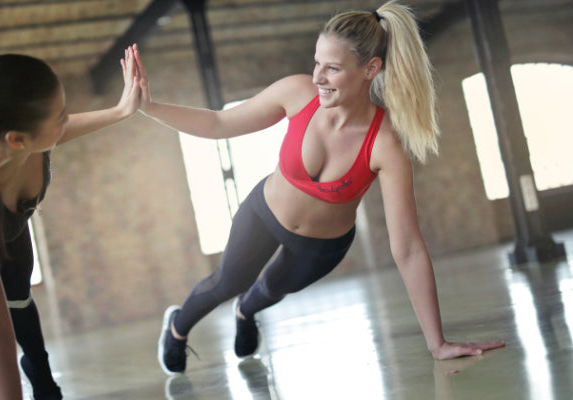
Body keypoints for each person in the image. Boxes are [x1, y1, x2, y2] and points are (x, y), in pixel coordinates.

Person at [134, 2, 506, 375]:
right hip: (265, 213)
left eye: (333, 68)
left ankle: (246, 311)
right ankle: (177, 327)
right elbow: (217, 123)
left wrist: (437, 343)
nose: (318, 77)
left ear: (370, 70)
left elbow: (407, 248)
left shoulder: (385, 144)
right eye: (317, 63)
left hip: (322, 246)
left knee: (273, 289)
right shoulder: (297, 94)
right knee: (226, 281)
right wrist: (148, 107)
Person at [0, 47, 142, 399]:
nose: (66, 120)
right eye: (60, 115)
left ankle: (40, 374)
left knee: (20, 301)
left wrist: (121, 110)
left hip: (9, 229)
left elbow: (56, 132)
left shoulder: (28, 140)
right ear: (17, 139)